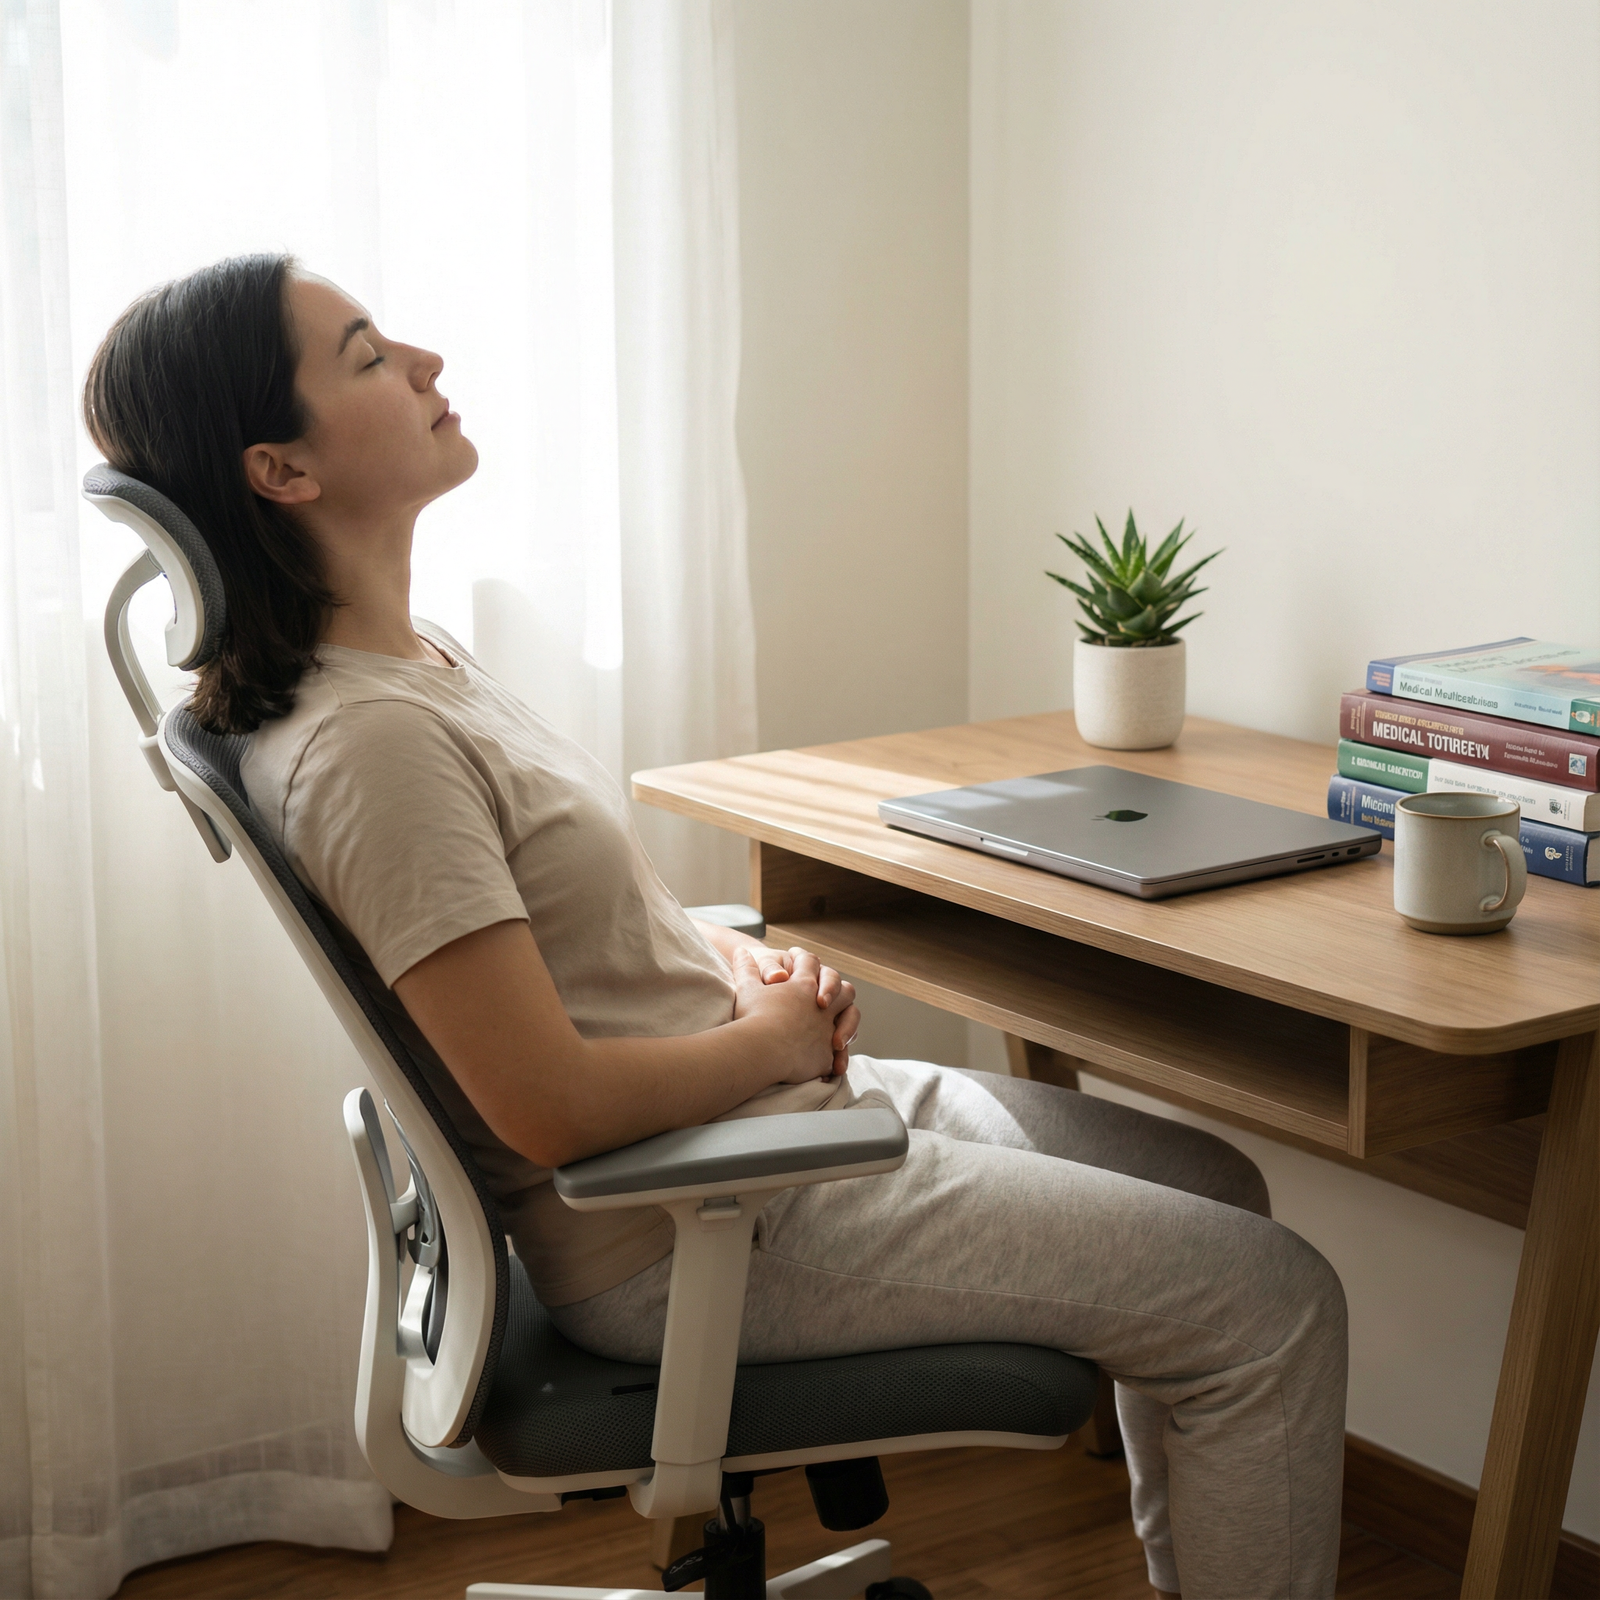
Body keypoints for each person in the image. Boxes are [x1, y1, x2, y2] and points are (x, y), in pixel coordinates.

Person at [83, 253, 1348, 1600]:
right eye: (366, 355)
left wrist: (727, 965)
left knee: (1218, 1192)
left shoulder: (415, 658)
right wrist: (774, 1042)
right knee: (1269, 1303)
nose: (425, 362)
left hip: (754, 1137)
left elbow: (556, 940)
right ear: (281, 471)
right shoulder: (371, 745)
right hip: (700, 1220)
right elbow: (550, 1105)